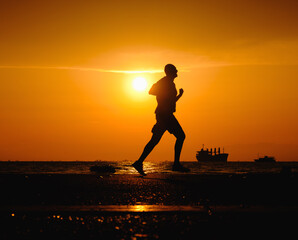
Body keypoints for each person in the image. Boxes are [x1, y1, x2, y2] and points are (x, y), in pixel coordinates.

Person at [132, 64, 190, 176]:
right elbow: (151, 91)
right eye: (175, 70)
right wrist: (162, 93)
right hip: (165, 115)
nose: (177, 71)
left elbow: (170, 101)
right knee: (181, 136)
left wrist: (179, 96)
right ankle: (176, 164)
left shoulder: (170, 83)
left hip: (164, 114)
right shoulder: (165, 82)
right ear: (170, 72)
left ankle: (139, 162)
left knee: (155, 140)